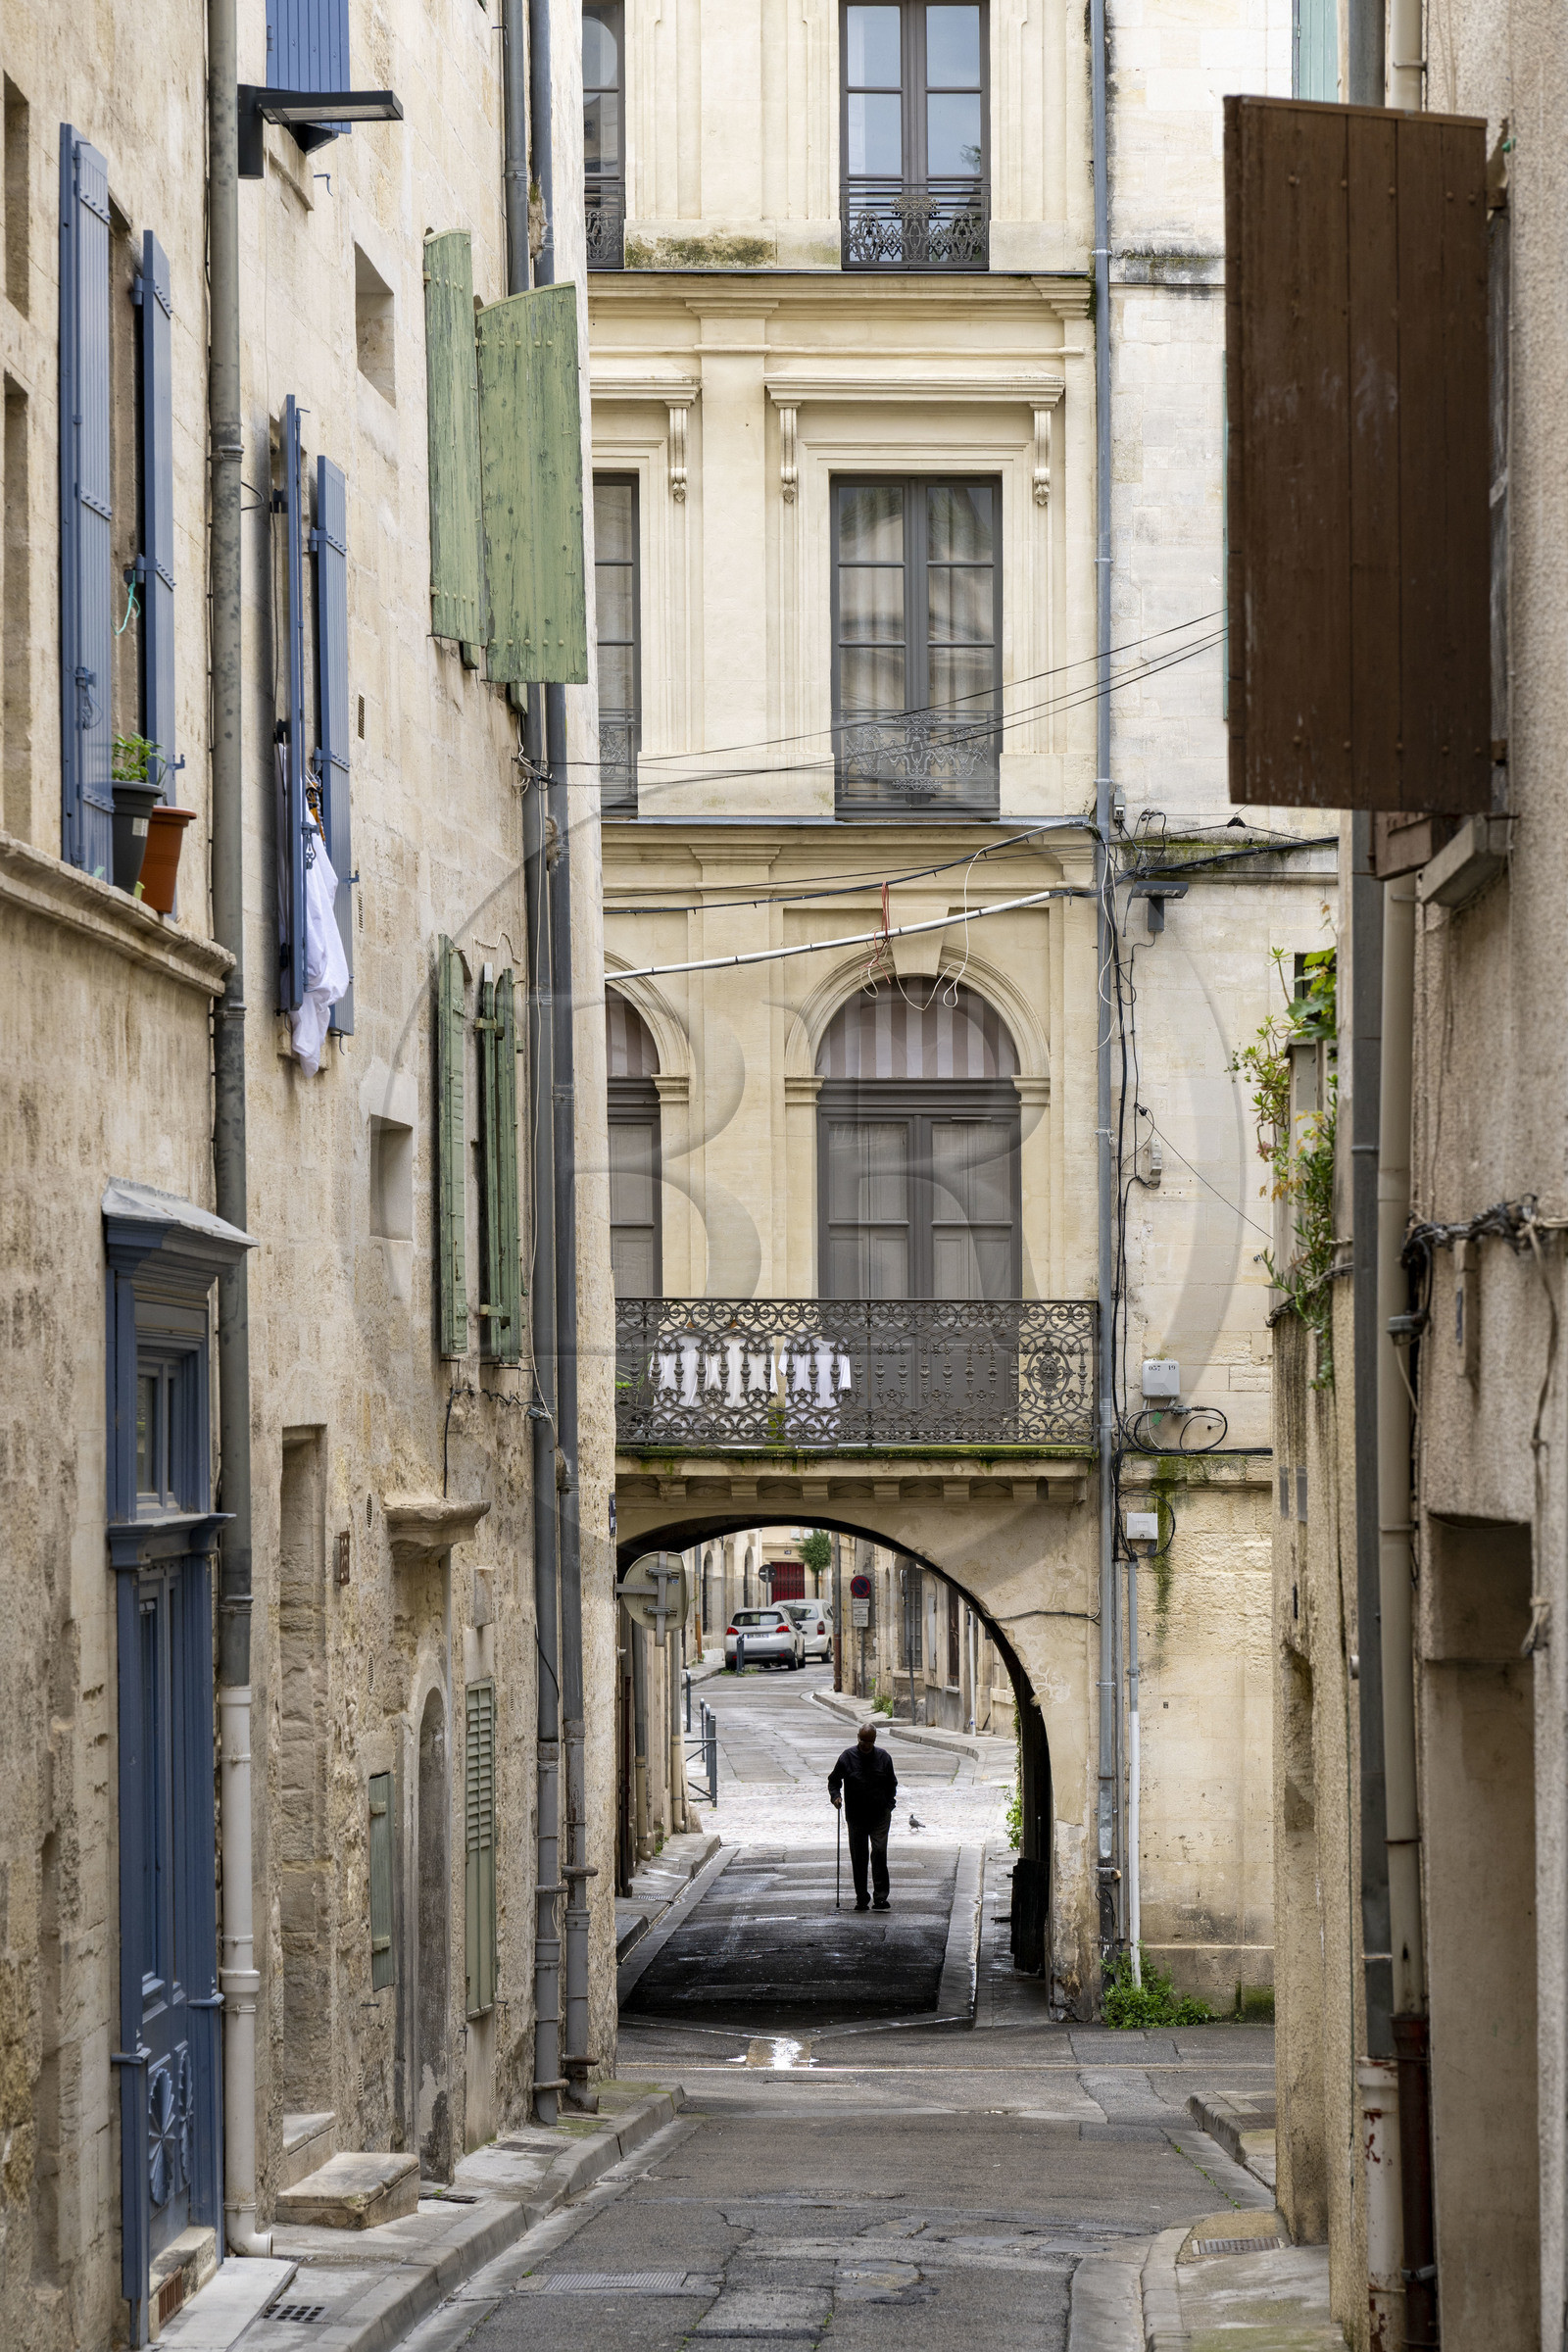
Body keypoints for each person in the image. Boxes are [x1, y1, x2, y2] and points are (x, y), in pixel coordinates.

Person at [828, 1721, 898, 1912]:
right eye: (862, 1741)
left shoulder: (884, 1757)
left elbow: (892, 1783)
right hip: (856, 1815)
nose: (865, 1745)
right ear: (858, 1738)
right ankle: (861, 1898)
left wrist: (889, 1805)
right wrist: (836, 1797)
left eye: (869, 1741)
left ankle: (881, 1897)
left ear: (874, 1741)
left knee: (879, 1852)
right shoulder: (847, 1757)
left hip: (879, 1815)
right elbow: (834, 1781)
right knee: (859, 1857)